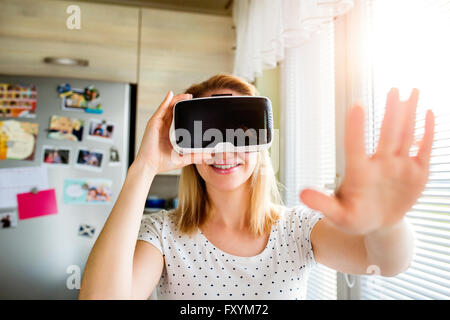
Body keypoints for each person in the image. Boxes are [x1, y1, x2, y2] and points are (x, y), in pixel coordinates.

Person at [78, 74, 435, 300]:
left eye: (240, 130)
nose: (225, 148)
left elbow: (385, 262)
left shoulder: (298, 229)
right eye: (209, 134)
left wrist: (387, 219)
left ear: (263, 143)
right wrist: (144, 168)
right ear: (188, 145)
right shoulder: (162, 235)